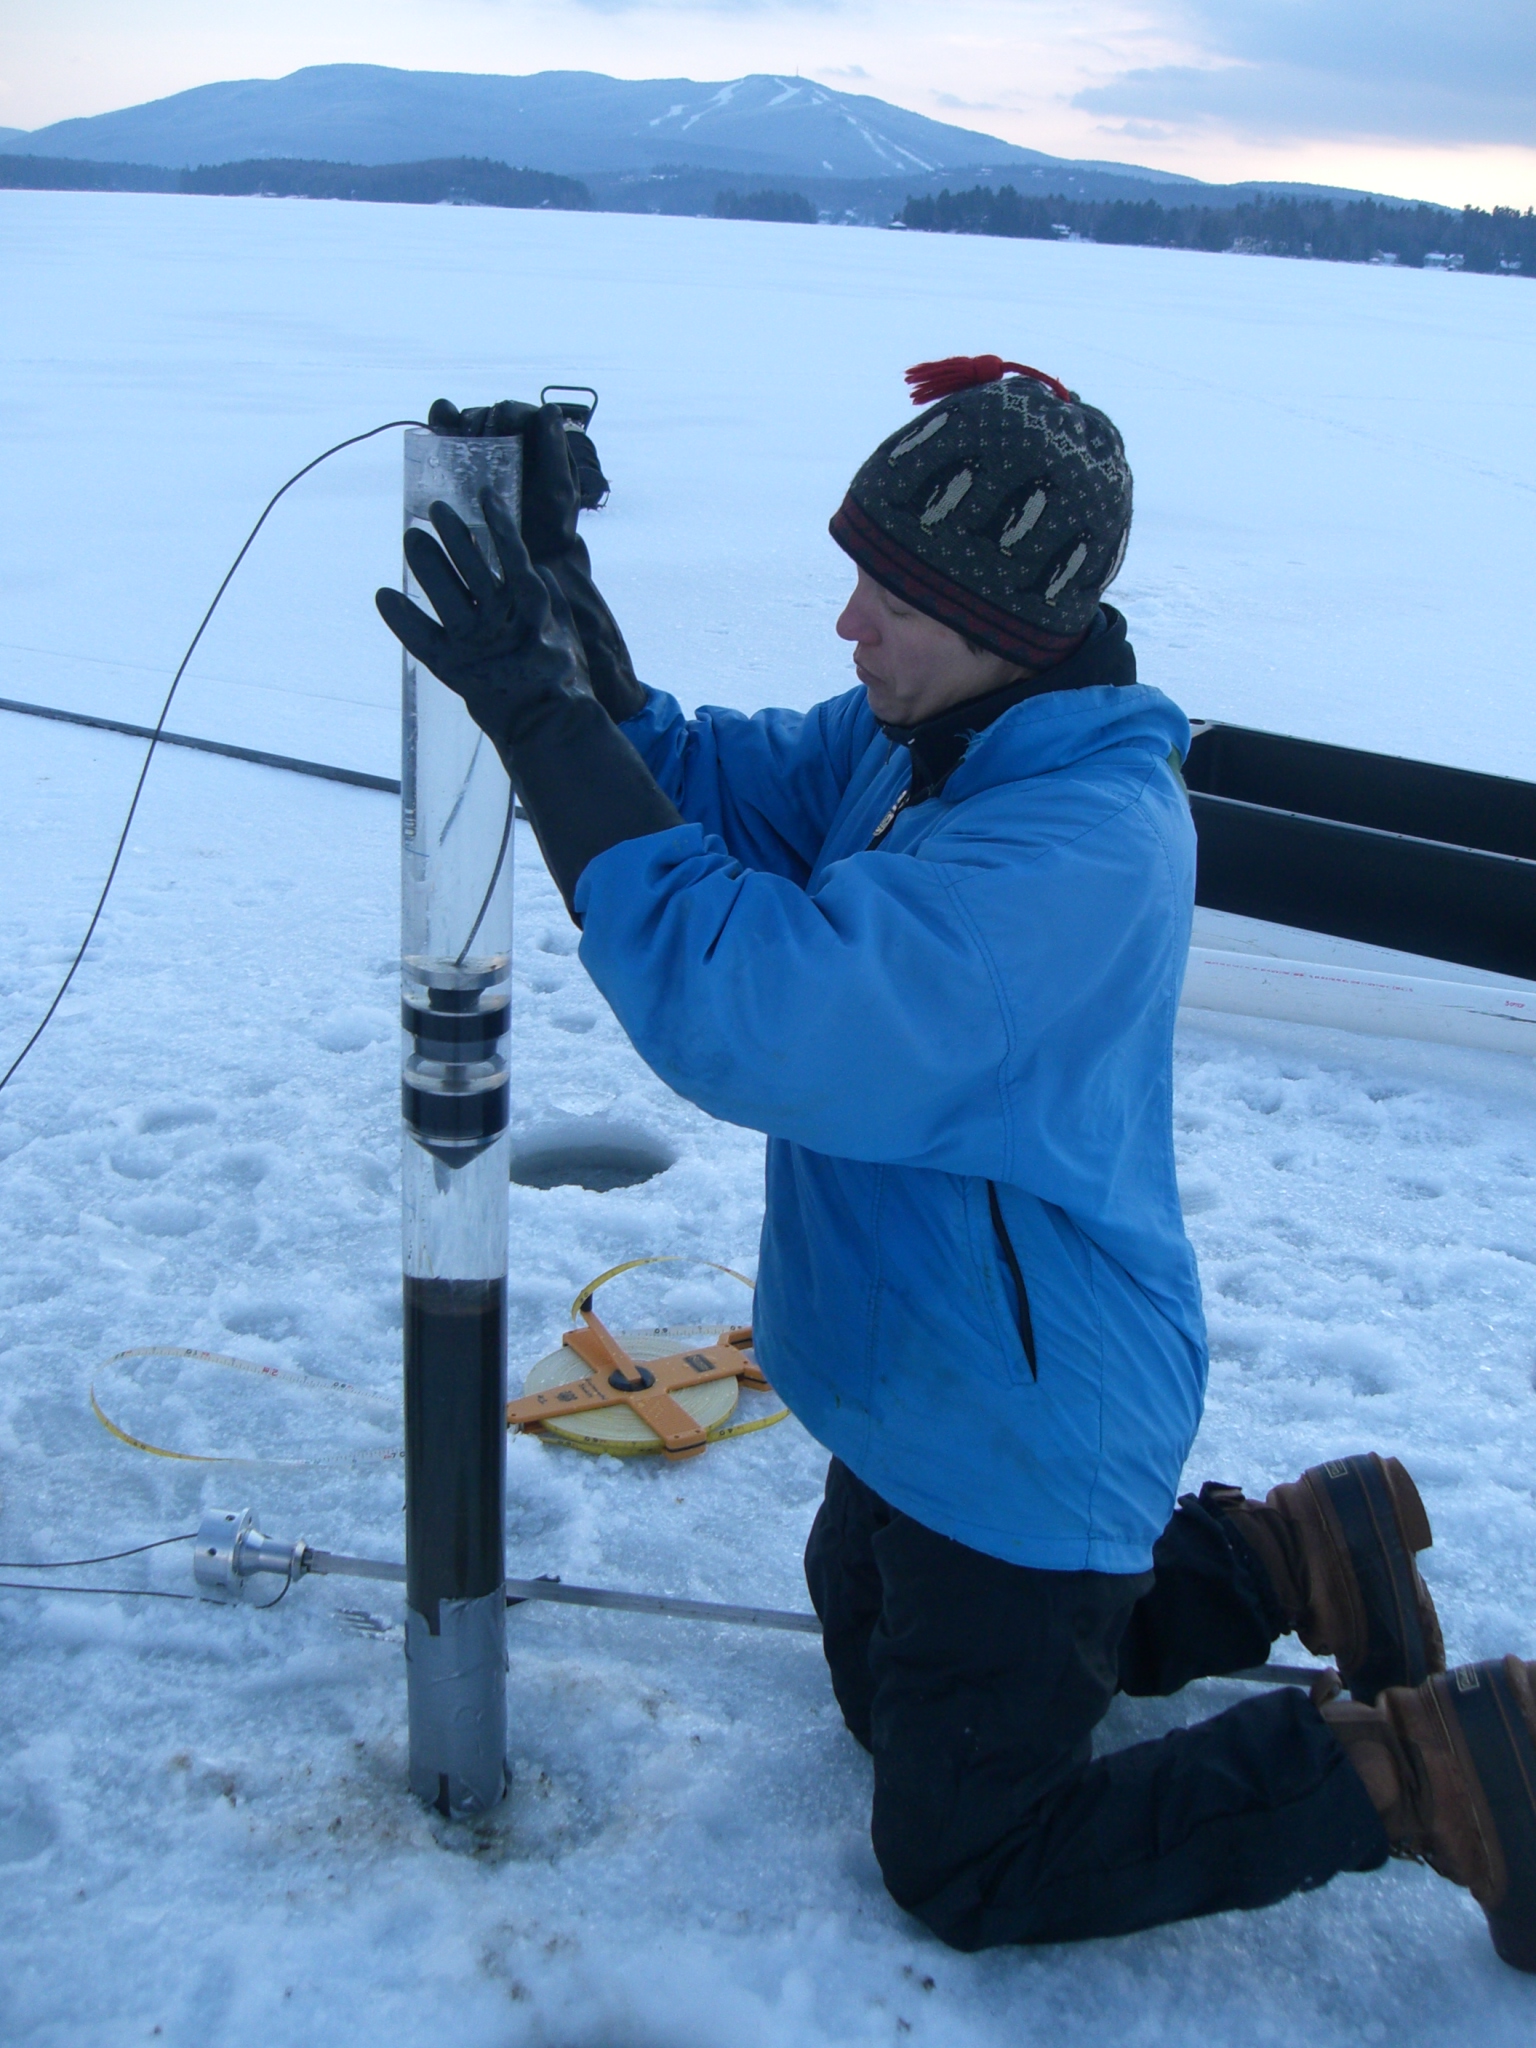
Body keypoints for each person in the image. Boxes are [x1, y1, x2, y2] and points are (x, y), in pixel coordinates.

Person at [377, 363, 1536, 1969]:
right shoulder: (928, 736)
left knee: (968, 1847)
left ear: (1017, 621)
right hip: (934, 1381)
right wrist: (576, 638)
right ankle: (1295, 1552)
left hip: (1027, 1416)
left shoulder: (1067, 852)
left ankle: (1439, 1772)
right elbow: (714, 784)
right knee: (879, 1668)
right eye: (860, 573)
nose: (850, 623)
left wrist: (542, 722)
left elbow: (749, 1005)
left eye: (894, 594)